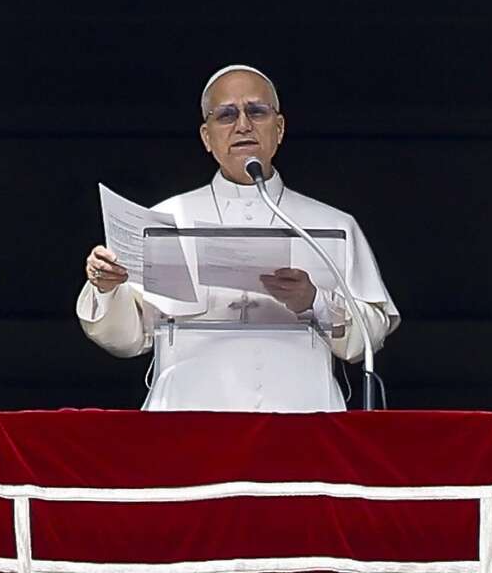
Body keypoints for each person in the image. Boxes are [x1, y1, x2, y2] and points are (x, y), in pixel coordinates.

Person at [77, 64, 400, 411]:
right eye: (226, 114)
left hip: (305, 417)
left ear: (279, 129)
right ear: (206, 136)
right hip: (188, 418)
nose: (243, 124)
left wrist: (315, 300)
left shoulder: (330, 223)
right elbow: (125, 340)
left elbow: (370, 337)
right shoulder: (165, 220)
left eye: (256, 111)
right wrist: (106, 287)